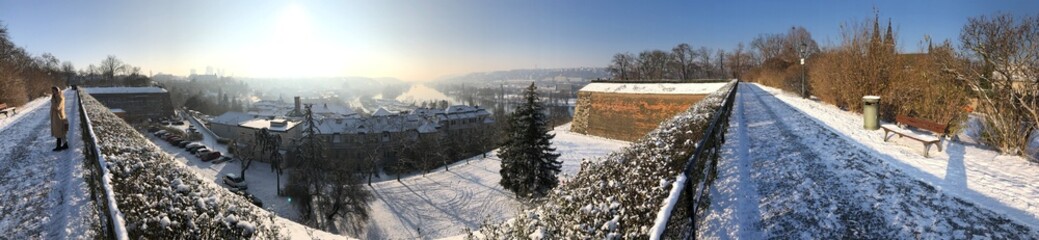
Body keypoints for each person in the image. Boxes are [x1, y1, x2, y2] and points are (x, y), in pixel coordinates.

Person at [51, 86, 69, 151]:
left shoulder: (60, 98)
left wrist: (53, 101)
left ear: (57, 91)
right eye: (52, 91)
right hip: (57, 117)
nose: (53, 92)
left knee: (59, 132)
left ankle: (58, 147)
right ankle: (65, 145)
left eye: (54, 91)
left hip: (59, 117)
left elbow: (57, 107)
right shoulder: (56, 97)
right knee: (61, 132)